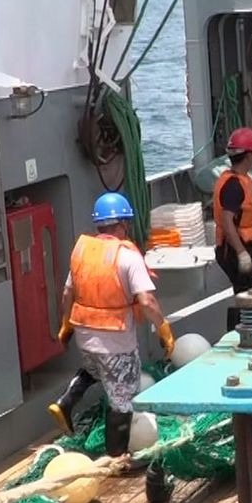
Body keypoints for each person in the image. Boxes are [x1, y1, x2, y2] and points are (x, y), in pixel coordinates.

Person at [54, 192, 175, 456]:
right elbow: (146, 301)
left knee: (92, 368)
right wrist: (164, 329)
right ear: (123, 224)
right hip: (116, 340)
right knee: (122, 401)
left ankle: (66, 401)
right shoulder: (127, 256)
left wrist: (66, 326)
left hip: (84, 336)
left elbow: (67, 294)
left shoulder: (82, 251)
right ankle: (116, 458)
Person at [213, 127, 252, 332]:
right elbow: (228, 222)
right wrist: (241, 254)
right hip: (231, 250)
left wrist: (250, 250)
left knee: (245, 293)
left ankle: (239, 333)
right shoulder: (234, 186)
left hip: (241, 247)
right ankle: (241, 335)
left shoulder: (240, 181)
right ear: (250, 155)